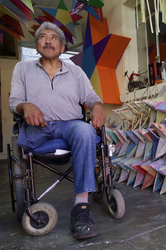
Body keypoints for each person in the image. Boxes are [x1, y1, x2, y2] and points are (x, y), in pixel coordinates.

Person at [8, 22, 106, 239]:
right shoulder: (22, 69)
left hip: (70, 125)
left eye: (54, 37)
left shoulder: (76, 71)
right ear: (37, 46)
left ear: (62, 48)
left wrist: (98, 106)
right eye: (43, 37)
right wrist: (26, 106)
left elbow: (91, 98)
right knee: (26, 141)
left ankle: (81, 210)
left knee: (85, 131)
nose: (48, 40)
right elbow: (14, 101)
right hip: (37, 128)